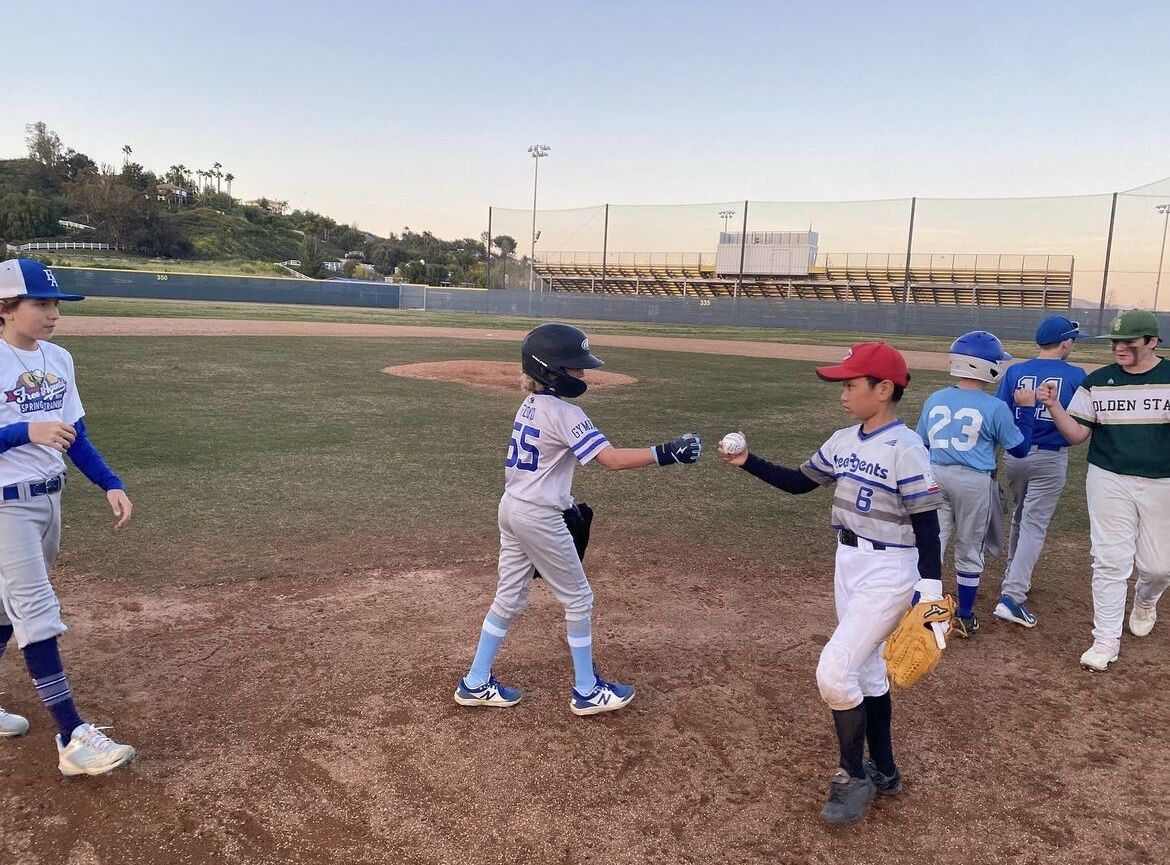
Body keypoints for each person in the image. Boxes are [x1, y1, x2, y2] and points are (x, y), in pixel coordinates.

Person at [718, 341, 943, 825]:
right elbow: (800, 482)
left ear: (884, 389)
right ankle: (885, 770)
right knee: (868, 671)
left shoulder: (907, 448)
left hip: (891, 569)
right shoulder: (843, 440)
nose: (843, 394)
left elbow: (927, 524)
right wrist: (748, 461)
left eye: (851, 385)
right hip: (849, 562)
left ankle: (853, 775)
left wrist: (929, 591)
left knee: (834, 672)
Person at [454, 322, 701, 716]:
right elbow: (611, 460)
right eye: (575, 366)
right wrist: (667, 452)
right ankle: (587, 689)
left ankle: (475, 681)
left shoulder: (530, 404)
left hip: (512, 508)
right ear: (551, 369)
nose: (583, 373)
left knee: (509, 597)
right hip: (538, 517)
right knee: (578, 599)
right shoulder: (566, 412)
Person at [0, 258, 136, 776]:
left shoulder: (59, 358)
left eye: (56, 303)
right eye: (40, 303)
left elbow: (75, 434)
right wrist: (24, 432)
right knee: (36, 610)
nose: (53, 313)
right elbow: (36, 431)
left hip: (48, 501)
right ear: (5, 307)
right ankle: (72, 737)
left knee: (4, 610)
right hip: (5, 504)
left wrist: (110, 482)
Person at [1037, 309, 1170, 671]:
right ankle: (1105, 640)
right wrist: (1053, 406)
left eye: (1128, 341)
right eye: (1115, 341)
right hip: (1108, 477)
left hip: (1162, 481)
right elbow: (1077, 434)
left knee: (1158, 567)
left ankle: (1146, 598)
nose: (1119, 347)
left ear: (1152, 342)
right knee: (1110, 560)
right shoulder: (1098, 381)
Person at [915, 331, 1036, 638]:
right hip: (973, 481)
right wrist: (1026, 410)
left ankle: (919, 610)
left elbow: (921, 444)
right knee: (969, 548)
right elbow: (1020, 449)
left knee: (932, 542)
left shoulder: (935, 398)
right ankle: (964, 616)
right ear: (989, 367)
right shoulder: (995, 406)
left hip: (934, 475)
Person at [992, 316, 1088, 628]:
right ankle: (1013, 595)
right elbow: (1081, 420)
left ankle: (1013, 576)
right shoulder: (1076, 374)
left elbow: (999, 413)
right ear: (1065, 342)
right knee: (1033, 523)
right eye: (1072, 340)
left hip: (1016, 454)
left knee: (1021, 516)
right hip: (1050, 457)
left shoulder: (1016, 371)